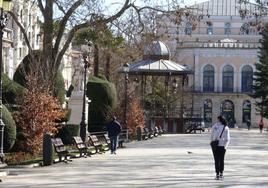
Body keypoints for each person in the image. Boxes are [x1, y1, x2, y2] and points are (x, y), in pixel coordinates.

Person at [210, 115, 230, 180]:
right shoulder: (225, 127)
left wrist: (211, 143)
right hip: (222, 146)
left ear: (218, 120)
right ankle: (221, 174)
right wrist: (225, 147)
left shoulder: (214, 126)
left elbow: (212, 136)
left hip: (215, 146)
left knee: (216, 160)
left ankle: (217, 174)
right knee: (221, 160)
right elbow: (227, 139)